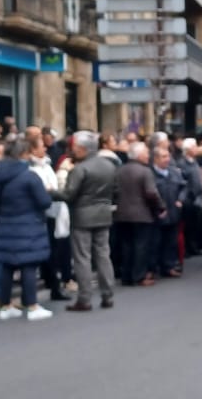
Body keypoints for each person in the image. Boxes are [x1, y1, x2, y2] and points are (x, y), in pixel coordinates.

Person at [0, 139, 54, 321]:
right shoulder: (30, 177)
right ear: (24, 154)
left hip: (5, 224)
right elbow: (44, 202)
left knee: (7, 265)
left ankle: (6, 305)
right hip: (28, 224)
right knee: (29, 265)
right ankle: (32, 306)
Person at [57, 131, 117, 312]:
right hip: (103, 213)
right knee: (103, 255)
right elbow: (116, 189)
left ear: (83, 149)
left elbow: (68, 194)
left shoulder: (80, 169)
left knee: (82, 258)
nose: (73, 151)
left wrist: (49, 192)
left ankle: (85, 298)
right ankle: (108, 295)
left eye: (75, 148)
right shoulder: (109, 165)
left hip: (83, 215)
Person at [114, 142, 164, 287]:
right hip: (142, 214)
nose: (148, 156)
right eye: (146, 153)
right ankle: (139, 275)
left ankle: (126, 275)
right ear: (139, 155)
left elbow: (115, 191)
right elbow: (151, 192)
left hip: (122, 214)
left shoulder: (120, 170)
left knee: (127, 245)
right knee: (141, 246)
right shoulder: (145, 171)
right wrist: (160, 207)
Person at [29, 141, 71, 302]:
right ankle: (51, 283)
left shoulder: (47, 165)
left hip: (54, 210)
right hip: (40, 213)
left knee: (52, 250)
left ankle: (53, 284)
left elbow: (52, 186)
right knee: (45, 251)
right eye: (41, 146)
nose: (45, 149)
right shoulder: (31, 168)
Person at [152, 145, 191, 279]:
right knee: (156, 241)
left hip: (174, 212)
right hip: (158, 214)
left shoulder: (174, 172)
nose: (167, 159)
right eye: (163, 157)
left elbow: (184, 187)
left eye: (168, 156)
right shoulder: (150, 174)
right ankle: (154, 267)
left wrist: (181, 199)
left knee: (171, 241)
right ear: (155, 159)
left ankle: (169, 266)